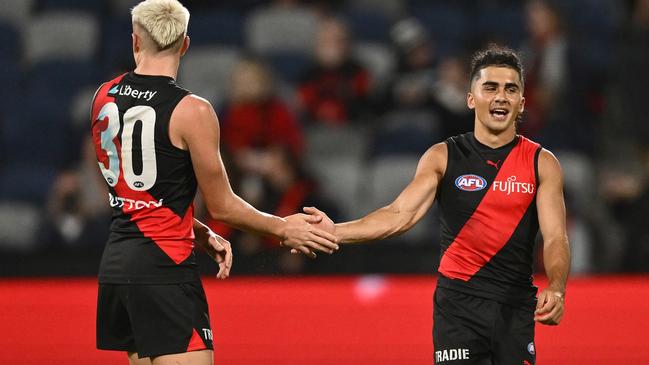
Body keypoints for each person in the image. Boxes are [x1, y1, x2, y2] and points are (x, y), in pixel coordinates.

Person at [90, 1, 339, 364]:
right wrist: (284, 228)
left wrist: (199, 231)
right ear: (185, 44)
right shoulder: (193, 110)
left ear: (135, 42)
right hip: (165, 268)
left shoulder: (102, 97)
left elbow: (134, 198)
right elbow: (223, 205)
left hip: (117, 265)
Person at [307, 45, 570, 364]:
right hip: (458, 307)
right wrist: (334, 231)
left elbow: (556, 237)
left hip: (514, 307)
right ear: (471, 99)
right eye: (490, 87)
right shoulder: (443, 157)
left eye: (510, 89)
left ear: (521, 104)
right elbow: (399, 216)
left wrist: (556, 287)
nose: (501, 96)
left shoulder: (542, 163)